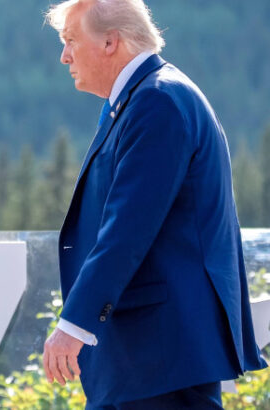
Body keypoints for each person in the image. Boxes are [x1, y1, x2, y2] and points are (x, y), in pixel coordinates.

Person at [41, 0, 268, 408]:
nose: (64, 56)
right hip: (148, 360)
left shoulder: (157, 101)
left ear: (110, 41)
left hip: (159, 359)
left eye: (71, 40)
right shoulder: (145, 98)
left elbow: (127, 228)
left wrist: (74, 323)